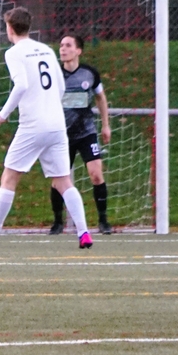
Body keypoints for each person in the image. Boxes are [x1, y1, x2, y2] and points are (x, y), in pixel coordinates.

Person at [0, 7, 94, 250]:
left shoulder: (14, 53)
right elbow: (61, 87)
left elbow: (21, 85)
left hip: (33, 125)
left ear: (9, 28)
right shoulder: (46, 49)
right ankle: (84, 232)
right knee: (63, 181)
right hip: (57, 124)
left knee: (9, 177)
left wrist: (2, 114)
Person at [51, 34, 113, 235]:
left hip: (86, 132)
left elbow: (100, 98)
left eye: (68, 45)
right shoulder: (54, 73)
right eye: (61, 45)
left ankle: (103, 221)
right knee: (58, 180)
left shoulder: (89, 73)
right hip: (62, 135)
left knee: (96, 174)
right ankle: (57, 222)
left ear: (78, 50)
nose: (63, 49)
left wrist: (106, 125)